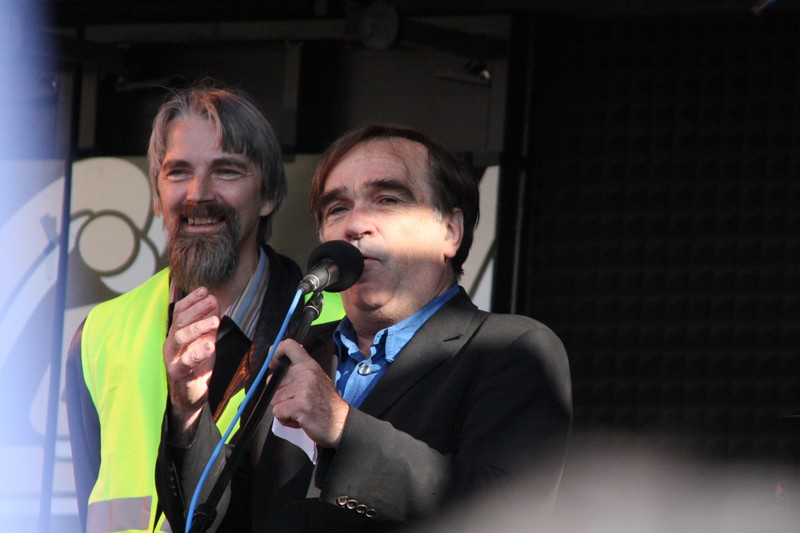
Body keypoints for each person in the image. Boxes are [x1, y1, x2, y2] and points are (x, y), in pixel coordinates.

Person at [156, 123, 572, 532]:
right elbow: (218, 519)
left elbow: (505, 513)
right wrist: (188, 409)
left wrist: (343, 427)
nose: (355, 225)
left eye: (387, 200)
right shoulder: (298, 354)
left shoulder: (510, 350)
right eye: (337, 208)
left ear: (451, 231)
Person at [65, 82, 342, 533]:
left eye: (226, 171)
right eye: (178, 172)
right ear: (156, 197)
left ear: (269, 196)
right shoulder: (100, 334)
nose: (198, 193)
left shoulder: (340, 326)